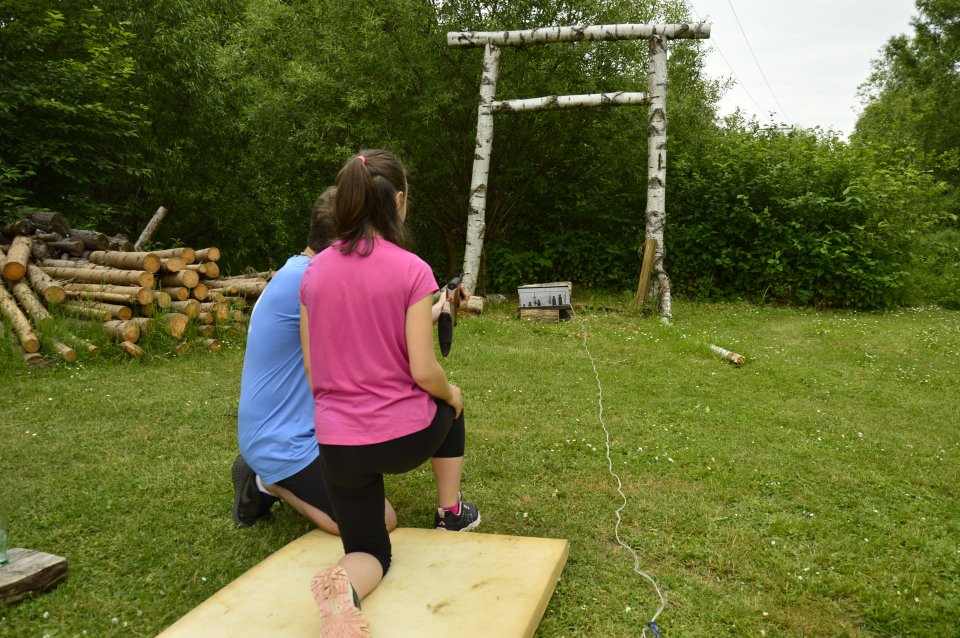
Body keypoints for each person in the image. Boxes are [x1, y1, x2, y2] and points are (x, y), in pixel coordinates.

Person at [300, 149, 479, 635]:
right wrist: (451, 393)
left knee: (370, 550)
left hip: (338, 445)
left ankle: (343, 583)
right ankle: (451, 512)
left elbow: (314, 372)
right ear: (397, 200)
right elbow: (424, 370)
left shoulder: (313, 272)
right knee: (451, 403)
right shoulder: (413, 270)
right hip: (403, 438)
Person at [233, 187, 398, 534]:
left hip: (305, 430)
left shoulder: (300, 271)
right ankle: (266, 482)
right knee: (378, 523)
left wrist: (431, 312)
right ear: (344, 242)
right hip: (282, 441)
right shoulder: (308, 281)